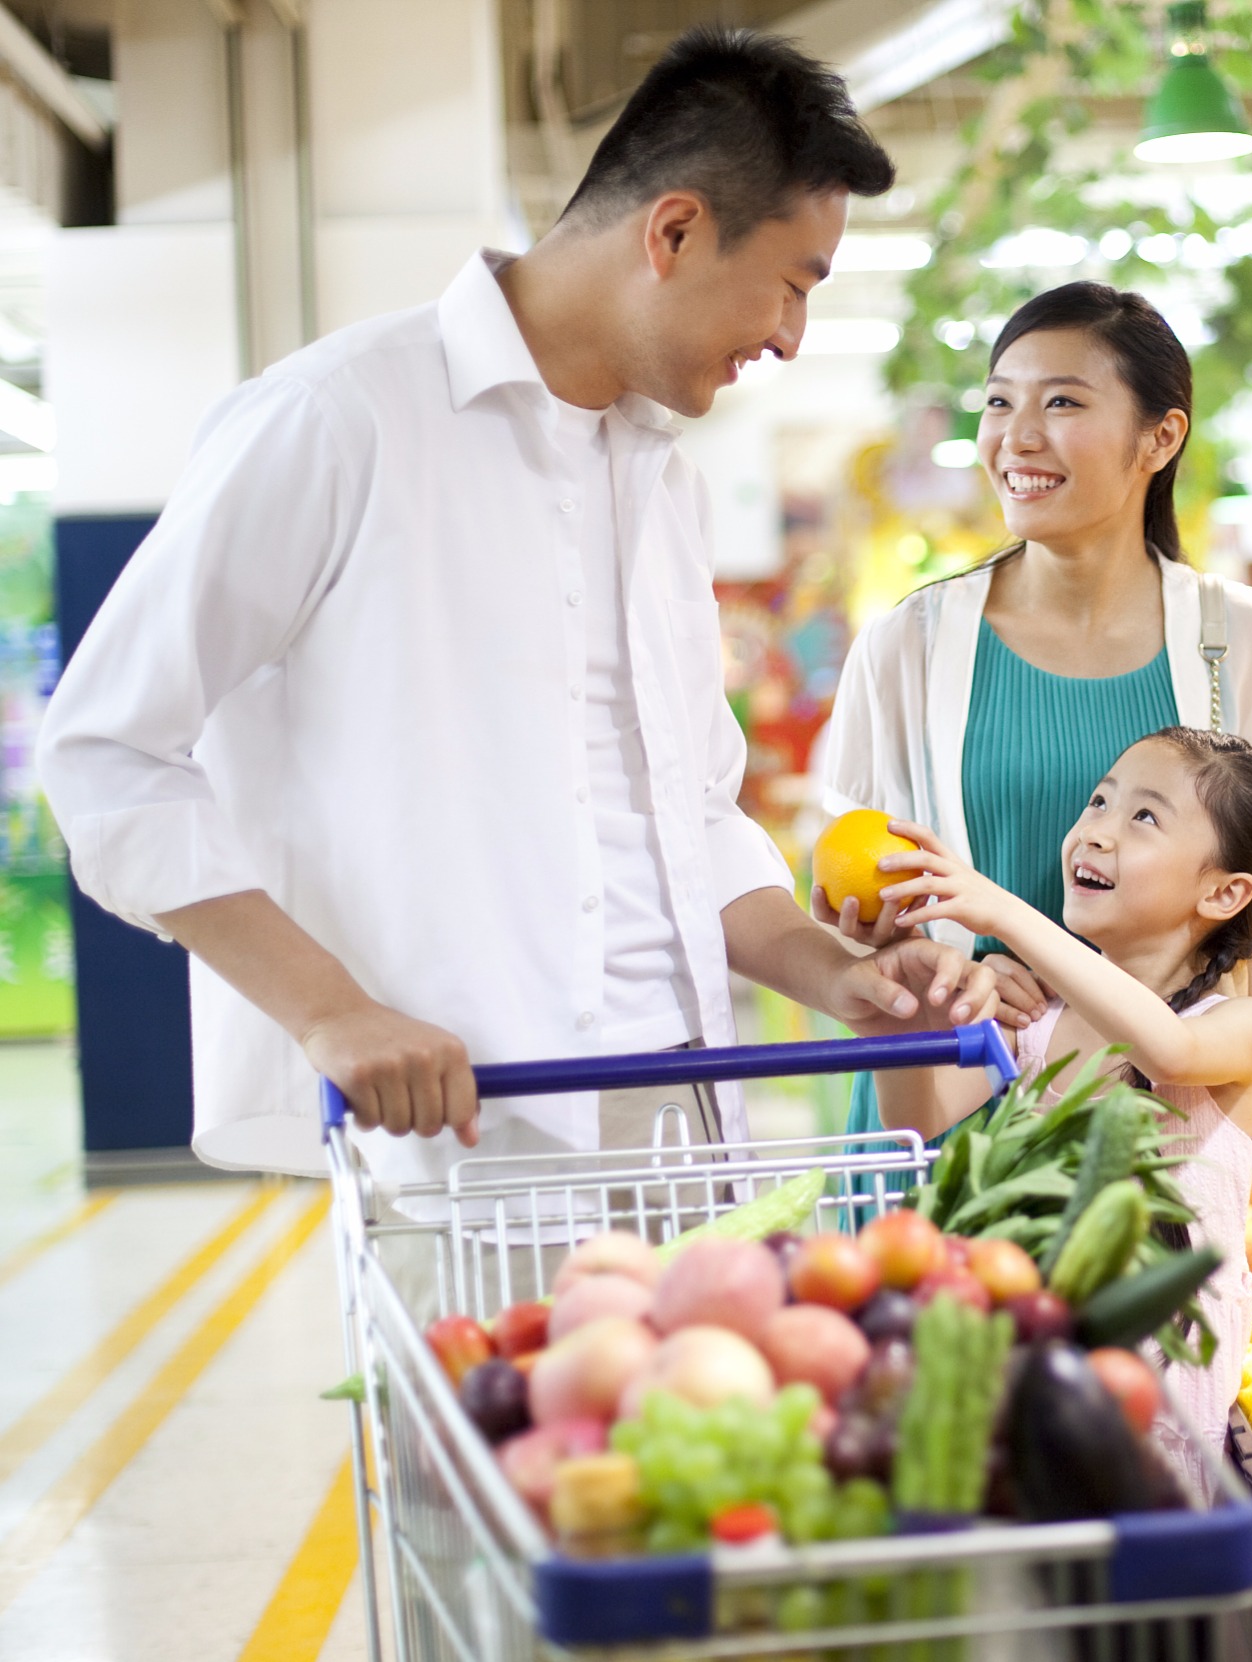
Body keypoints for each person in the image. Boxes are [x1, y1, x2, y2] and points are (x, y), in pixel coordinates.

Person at [37, 29, 997, 1193]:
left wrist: (829, 973)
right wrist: (331, 1012)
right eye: (795, 283)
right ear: (675, 230)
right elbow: (107, 753)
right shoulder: (338, 422)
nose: (791, 336)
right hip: (470, 1138)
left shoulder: (661, 481)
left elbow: (690, 814)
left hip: (687, 1114)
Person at [817, 282, 1252, 1145]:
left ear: (1162, 436)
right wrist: (933, 972)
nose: (1015, 437)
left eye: (1063, 402)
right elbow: (856, 885)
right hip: (950, 1096)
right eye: (999, 402)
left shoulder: (1237, 637)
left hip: (1148, 1113)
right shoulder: (909, 645)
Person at [871, 726, 1252, 1477]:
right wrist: (892, 1006)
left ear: (1226, 892)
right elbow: (918, 1117)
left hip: (1164, 1423)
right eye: (1100, 800)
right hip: (1037, 1384)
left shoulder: (1238, 1029)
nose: (1096, 830)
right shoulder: (1037, 1022)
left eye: (1144, 817)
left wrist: (1003, 913)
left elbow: (1166, 1049)